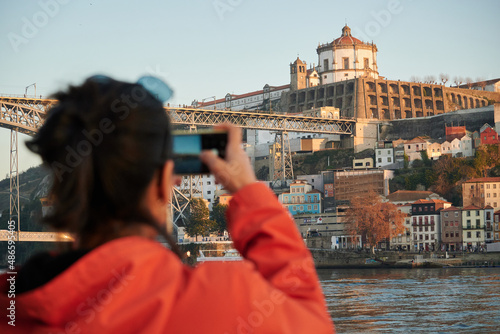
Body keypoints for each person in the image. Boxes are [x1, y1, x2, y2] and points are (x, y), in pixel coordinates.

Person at [0, 76, 334, 333]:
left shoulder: (11, 305)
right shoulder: (225, 302)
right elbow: (310, 320)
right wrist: (248, 190)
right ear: (165, 181)